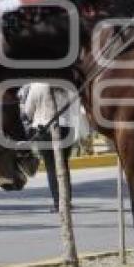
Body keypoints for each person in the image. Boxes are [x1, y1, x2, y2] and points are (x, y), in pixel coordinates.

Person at [20, 83, 86, 212]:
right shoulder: (66, 86)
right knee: (64, 166)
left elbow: (28, 112)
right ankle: (67, 201)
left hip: (44, 129)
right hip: (67, 128)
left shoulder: (37, 86)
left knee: (51, 167)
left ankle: (58, 202)